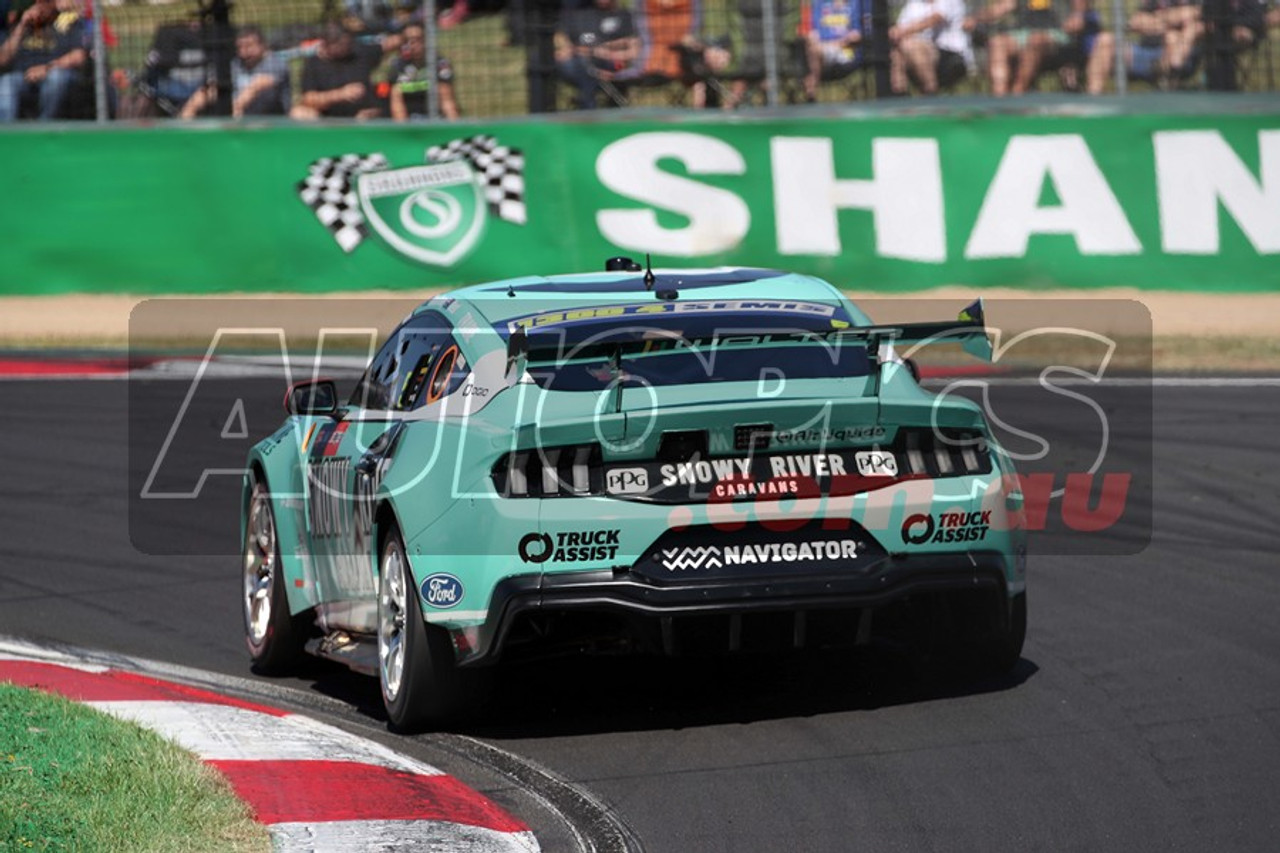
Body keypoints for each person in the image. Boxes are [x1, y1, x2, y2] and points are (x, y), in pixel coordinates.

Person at [977, 0, 1095, 96]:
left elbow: (1079, 13)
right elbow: (1005, 5)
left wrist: (1076, 18)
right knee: (997, 42)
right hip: (1022, 32)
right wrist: (976, 18)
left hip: (1056, 33)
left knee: (1036, 40)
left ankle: (1017, 95)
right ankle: (999, 98)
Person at [0, 0, 88, 121]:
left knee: (56, 78)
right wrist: (22, 25)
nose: (41, 6)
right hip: (24, 77)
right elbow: (3, 59)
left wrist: (47, 68)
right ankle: (7, 133)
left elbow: (79, 56)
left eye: (46, 2)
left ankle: (43, 127)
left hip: (55, 73)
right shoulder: (22, 22)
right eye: (38, 2)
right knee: (6, 82)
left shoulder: (67, 21)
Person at [178, 25, 288, 119]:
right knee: (205, 92)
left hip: (269, 118)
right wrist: (192, 107)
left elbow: (259, 85)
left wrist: (236, 107)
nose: (243, 52)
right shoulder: (235, 64)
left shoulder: (274, 62)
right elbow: (215, 86)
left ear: (262, 45)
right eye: (240, 47)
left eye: (249, 46)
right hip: (235, 114)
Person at [555, 0, 641, 109]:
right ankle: (589, 109)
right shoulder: (580, 15)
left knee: (588, 68)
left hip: (612, 64)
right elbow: (563, 48)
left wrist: (604, 52)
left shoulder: (625, 16)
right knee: (583, 66)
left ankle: (589, 108)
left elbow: (633, 47)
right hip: (579, 64)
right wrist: (584, 51)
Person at [290, 22, 383, 120]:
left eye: (348, 43)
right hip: (327, 118)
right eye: (342, 45)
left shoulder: (358, 54)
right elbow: (308, 99)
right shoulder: (313, 64)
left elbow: (387, 44)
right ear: (326, 44)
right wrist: (341, 94)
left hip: (363, 115)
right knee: (298, 113)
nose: (347, 47)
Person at [889, 0, 972, 94]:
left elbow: (935, 19)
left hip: (951, 53)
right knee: (898, 51)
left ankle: (930, 92)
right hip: (915, 52)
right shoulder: (914, 4)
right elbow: (900, 27)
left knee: (911, 46)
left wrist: (902, 32)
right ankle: (899, 96)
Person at [387, 22, 459, 120]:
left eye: (418, 39)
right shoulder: (398, 65)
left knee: (443, 89)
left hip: (436, 118)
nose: (413, 44)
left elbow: (447, 100)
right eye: (408, 40)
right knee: (396, 91)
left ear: (425, 40)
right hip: (410, 119)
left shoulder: (440, 63)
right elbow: (395, 99)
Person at [804, 0, 867, 101]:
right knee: (813, 49)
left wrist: (838, 43)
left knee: (815, 51)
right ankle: (812, 91)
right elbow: (812, 33)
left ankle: (812, 83)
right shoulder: (820, 4)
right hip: (823, 51)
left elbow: (857, 35)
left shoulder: (855, 4)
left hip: (846, 52)